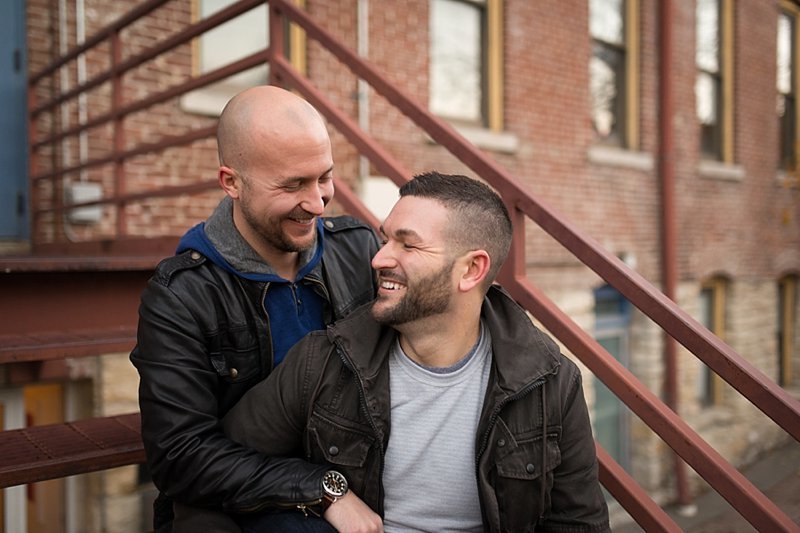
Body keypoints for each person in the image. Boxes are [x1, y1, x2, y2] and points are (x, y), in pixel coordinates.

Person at [222, 172, 611, 532]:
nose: (378, 259)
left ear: (472, 270)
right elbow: (221, 463)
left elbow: (578, 524)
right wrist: (325, 489)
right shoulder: (325, 361)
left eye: (407, 244)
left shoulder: (548, 383)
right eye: (386, 238)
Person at [130, 85, 380, 532]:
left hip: (359, 473)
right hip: (241, 502)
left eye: (324, 176)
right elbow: (181, 456)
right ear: (232, 183)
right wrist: (322, 488)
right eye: (292, 185)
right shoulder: (181, 295)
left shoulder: (359, 248)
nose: (318, 202)